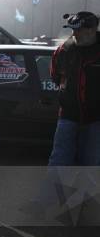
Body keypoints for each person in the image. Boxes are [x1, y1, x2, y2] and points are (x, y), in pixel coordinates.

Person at [48, 12, 100, 166]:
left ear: (91, 30)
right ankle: (56, 189)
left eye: (78, 30)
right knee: (59, 159)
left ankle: (87, 191)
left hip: (96, 119)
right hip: (68, 115)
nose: (74, 34)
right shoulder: (64, 50)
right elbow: (55, 75)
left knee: (91, 162)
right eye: (72, 30)